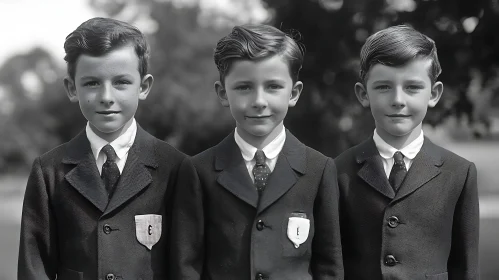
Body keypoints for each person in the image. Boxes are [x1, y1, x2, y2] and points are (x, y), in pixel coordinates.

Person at [18, 17, 189, 280]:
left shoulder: (176, 167)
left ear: (143, 87)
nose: (106, 97)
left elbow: (186, 267)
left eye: (121, 82)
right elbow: (34, 266)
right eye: (92, 83)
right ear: (71, 88)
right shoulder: (49, 171)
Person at [170, 24, 343, 280]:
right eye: (244, 87)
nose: (259, 101)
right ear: (222, 92)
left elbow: (328, 265)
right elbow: (187, 266)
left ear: (294, 93)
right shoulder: (198, 171)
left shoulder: (319, 169)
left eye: (273, 87)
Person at [334, 25, 479, 280]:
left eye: (412, 87)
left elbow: (465, 267)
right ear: (363, 94)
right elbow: (330, 264)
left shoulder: (460, 173)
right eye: (383, 87)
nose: (398, 99)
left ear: (433, 94)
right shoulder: (337, 171)